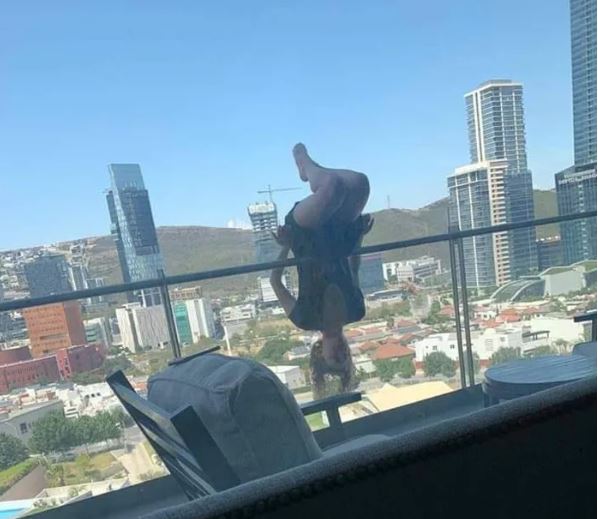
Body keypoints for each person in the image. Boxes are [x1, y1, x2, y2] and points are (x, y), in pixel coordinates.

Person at [270, 143, 372, 398]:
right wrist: (360, 236)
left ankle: (305, 165)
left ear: (319, 353)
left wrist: (286, 246)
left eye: (334, 358)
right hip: (338, 235)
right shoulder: (356, 310)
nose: (341, 353)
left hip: (304, 233)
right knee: (361, 183)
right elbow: (354, 267)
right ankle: (315, 169)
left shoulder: (304, 318)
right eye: (345, 358)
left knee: (332, 189)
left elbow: (275, 282)